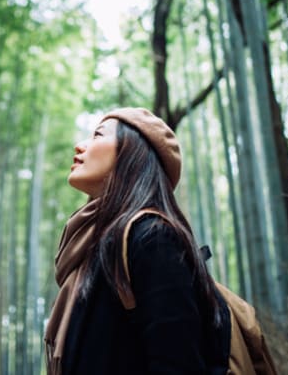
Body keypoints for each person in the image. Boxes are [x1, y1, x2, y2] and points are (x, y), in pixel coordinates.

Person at [44, 107, 229, 375]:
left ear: (130, 153)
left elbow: (178, 365)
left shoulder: (152, 238)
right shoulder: (90, 253)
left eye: (97, 135)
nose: (80, 146)